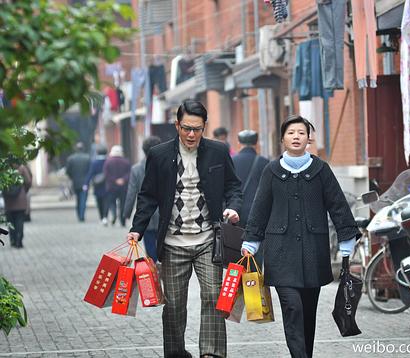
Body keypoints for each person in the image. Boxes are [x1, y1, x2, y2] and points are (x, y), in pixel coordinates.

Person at [126, 100, 242, 358]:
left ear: (204, 128)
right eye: (187, 128)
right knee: (175, 305)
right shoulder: (159, 155)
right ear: (177, 125)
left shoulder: (219, 152)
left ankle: (211, 353)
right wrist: (137, 229)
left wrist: (233, 207)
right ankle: (176, 353)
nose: (191, 135)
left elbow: (234, 186)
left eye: (197, 129)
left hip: (208, 241)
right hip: (172, 242)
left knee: (213, 296)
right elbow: (147, 196)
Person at [241, 115, 360, 358]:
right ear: (283, 139)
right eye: (291, 133)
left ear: (309, 139)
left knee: (308, 312)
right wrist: (251, 241)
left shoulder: (320, 170)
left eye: (301, 133)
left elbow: (338, 205)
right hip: (280, 252)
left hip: (313, 253)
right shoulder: (271, 170)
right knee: (292, 307)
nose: (296, 137)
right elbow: (260, 207)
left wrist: (347, 240)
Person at [123, 136, 161, 262]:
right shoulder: (166, 166)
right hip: (164, 215)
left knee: (150, 249)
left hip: (146, 216)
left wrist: (127, 213)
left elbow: (131, 192)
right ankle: (161, 268)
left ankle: (154, 269)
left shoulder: (136, 169)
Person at [232, 130, 269, 228]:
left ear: (239, 142)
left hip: (236, 213)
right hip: (258, 213)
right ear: (256, 143)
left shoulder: (231, 161)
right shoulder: (265, 162)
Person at [3, 163, 32, 248]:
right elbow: (28, 181)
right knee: (19, 221)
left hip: (8, 200)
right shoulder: (22, 168)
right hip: (20, 199)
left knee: (10, 221)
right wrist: (24, 190)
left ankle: (12, 240)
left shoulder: (4, 169)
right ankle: (19, 241)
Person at [103, 145, 130, 227]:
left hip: (111, 186)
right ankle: (122, 221)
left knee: (112, 202)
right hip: (123, 187)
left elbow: (106, 174)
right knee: (123, 204)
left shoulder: (108, 161)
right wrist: (123, 179)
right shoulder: (126, 161)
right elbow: (129, 173)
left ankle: (114, 214)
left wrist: (115, 180)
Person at [83, 144, 108, 225]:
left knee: (99, 202)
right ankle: (105, 217)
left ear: (97, 153)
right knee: (106, 202)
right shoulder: (108, 161)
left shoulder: (94, 162)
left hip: (97, 185)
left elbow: (90, 174)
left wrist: (86, 184)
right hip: (107, 184)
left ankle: (101, 217)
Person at [66, 142, 91, 222]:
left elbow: (68, 171)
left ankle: (79, 214)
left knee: (78, 199)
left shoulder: (71, 158)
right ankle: (81, 215)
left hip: (75, 182)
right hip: (85, 183)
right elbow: (90, 171)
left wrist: (72, 177)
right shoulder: (87, 158)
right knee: (83, 199)